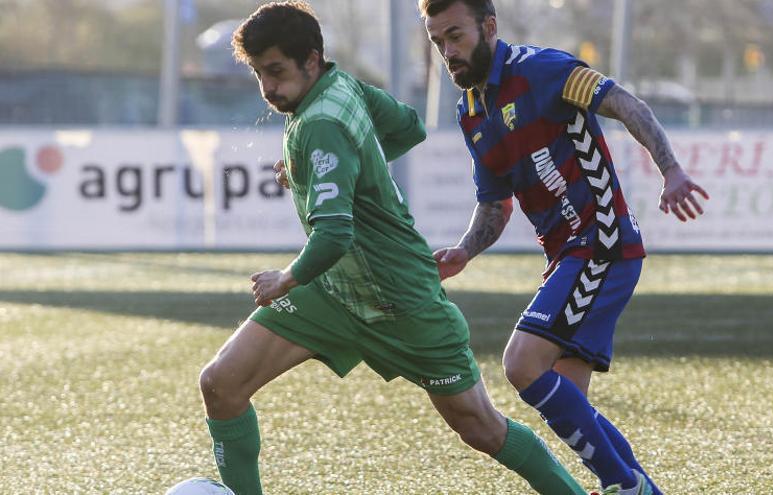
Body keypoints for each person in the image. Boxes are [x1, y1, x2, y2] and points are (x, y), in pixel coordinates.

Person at [198, 2, 590, 494]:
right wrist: (338, 167)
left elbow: (333, 236)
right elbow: (409, 127)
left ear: (311, 60)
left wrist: (284, 279)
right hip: (338, 291)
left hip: (401, 299)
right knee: (221, 384)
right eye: (259, 74)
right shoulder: (345, 88)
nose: (268, 89)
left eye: (276, 72)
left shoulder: (321, 122)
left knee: (481, 429)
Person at [420, 1, 710, 494]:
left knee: (521, 364)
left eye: (456, 35)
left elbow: (625, 104)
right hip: (569, 257)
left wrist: (671, 170)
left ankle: (624, 486)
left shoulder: (542, 70)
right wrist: (465, 250)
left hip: (602, 244)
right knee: (570, 397)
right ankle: (642, 490)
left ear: (489, 27)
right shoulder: (472, 113)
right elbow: (494, 205)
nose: (448, 52)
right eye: (437, 42)